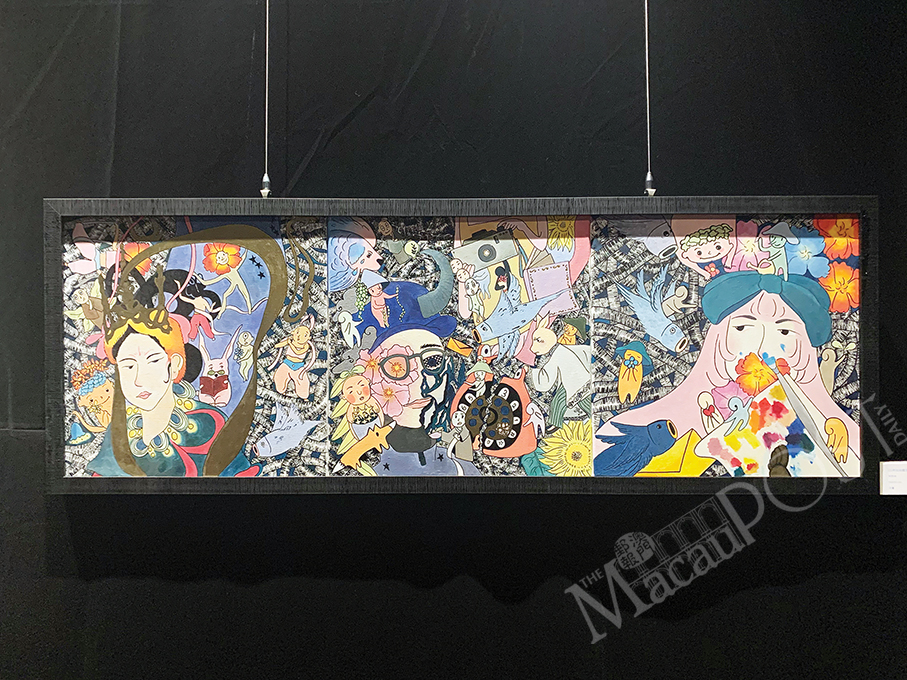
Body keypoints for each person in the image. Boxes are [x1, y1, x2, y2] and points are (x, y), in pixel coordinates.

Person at [595, 271, 859, 473]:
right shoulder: (658, 423)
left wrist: (831, 427)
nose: (762, 345)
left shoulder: (828, 421)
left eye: (784, 331)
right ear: (718, 339)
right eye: (743, 328)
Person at [86, 314, 259, 477]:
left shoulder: (210, 422)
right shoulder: (117, 432)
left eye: (152, 362)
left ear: (174, 365)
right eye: (128, 367)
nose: (138, 380)